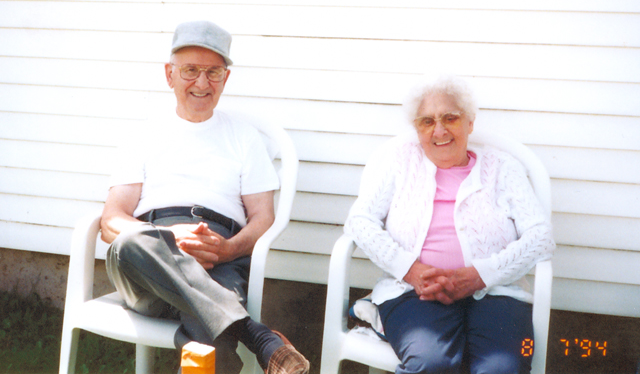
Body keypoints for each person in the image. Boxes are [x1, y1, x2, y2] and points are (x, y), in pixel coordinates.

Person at [101, 21, 309, 374]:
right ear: (169, 75)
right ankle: (258, 337)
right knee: (128, 242)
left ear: (225, 78)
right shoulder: (143, 135)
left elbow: (263, 218)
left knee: (209, 338)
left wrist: (229, 249)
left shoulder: (244, 137)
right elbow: (111, 221)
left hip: (219, 256)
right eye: (190, 71)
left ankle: (233, 326)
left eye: (213, 72)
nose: (202, 83)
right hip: (149, 264)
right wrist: (167, 238)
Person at [344, 75, 555, 374]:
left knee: (502, 368)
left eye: (450, 118)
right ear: (417, 130)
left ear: (469, 122)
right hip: (414, 292)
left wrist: (481, 275)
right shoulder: (400, 163)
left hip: (496, 292)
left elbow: (541, 236)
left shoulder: (503, 167)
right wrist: (411, 270)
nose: (439, 130)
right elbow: (359, 221)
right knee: (432, 363)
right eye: (427, 121)